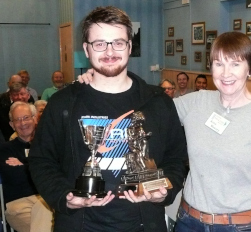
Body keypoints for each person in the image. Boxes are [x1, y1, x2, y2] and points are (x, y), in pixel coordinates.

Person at [78, 31, 251, 232]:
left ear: (249, 68)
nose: (226, 73)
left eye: (235, 64)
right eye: (219, 64)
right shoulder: (196, 103)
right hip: (190, 222)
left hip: (242, 225)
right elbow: (150, 108)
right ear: (210, 67)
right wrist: (102, 79)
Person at [29, 6, 187, 232]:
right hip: (80, 224)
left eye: (118, 42)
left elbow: (176, 158)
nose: (110, 51)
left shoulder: (158, 102)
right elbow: (41, 160)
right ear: (86, 49)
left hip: (145, 224)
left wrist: (164, 191)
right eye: (100, 43)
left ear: (130, 46)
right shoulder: (63, 103)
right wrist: (64, 196)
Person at [0, 101, 53, 232]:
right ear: (12, 125)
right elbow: (15, 176)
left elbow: (55, 171)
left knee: (45, 208)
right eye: (17, 120)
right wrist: (35, 166)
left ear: (35, 119)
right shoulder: (4, 149)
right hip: (18, 204)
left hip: (47, 201)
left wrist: (23, 165)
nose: (23, 123)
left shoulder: (47, 146)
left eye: (26, 118)